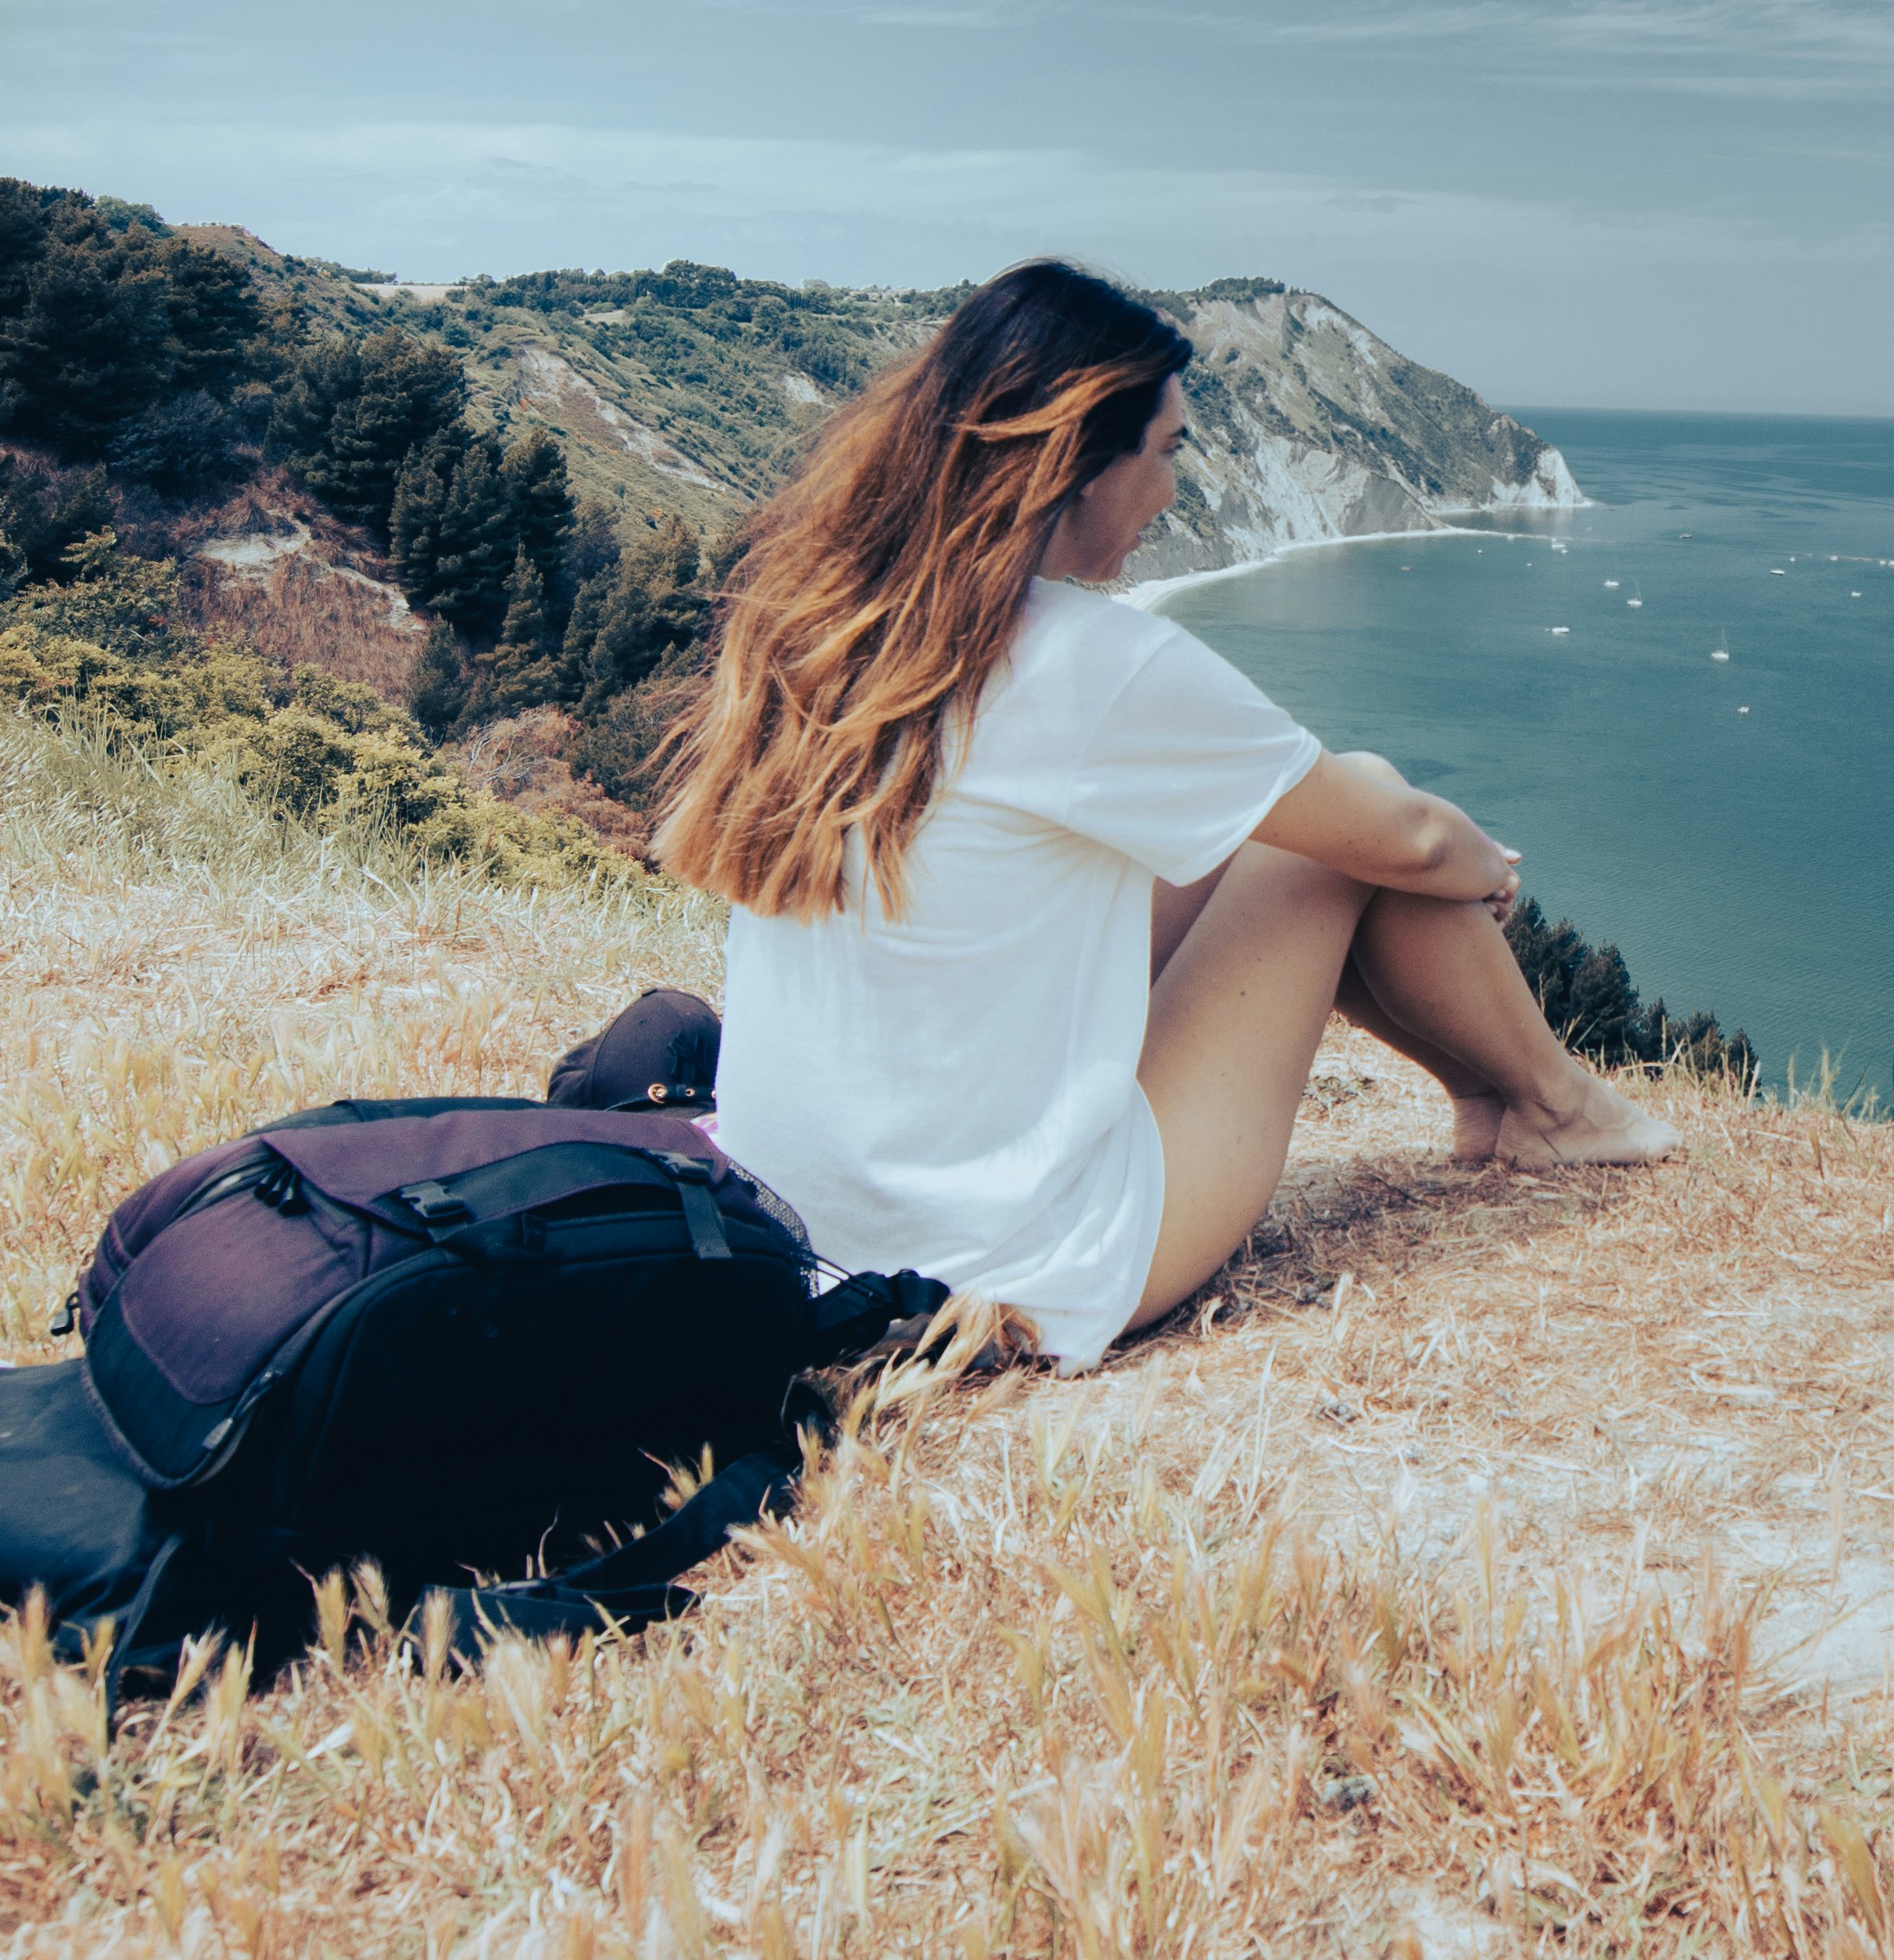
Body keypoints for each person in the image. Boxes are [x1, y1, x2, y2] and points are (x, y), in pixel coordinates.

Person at [658, 261, 1674, 1366]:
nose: (1174, 491)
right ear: (1079, 466)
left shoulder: (820, 619)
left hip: (799, 1227)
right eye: (1168, 451)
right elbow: (1406, 838)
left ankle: (1493, 1096)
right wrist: (1482, 865)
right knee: (1355, 809)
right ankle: (1557, 1106)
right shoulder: (1087, 661)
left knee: (1273, 822)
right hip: (1012, 1259)